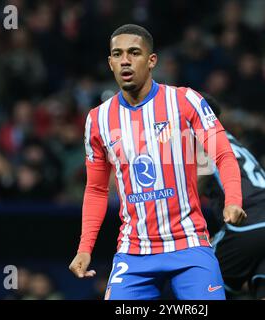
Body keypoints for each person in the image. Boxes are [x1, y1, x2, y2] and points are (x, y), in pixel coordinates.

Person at [68, 24, 246, 300]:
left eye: (134, 52)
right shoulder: (97, 120)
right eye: (117, 54)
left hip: (189, 246)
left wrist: (233, 199)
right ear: (110, 63)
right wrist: (84, 247)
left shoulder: (185, 100)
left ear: (152, 61)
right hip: (134, 252)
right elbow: (96, 190)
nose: (125, 60)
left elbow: (223, 154)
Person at [198, 93, 265, 300]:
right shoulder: (233, 140)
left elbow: (192, 186)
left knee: (194, 282)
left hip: (247, 224)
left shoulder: (198, 138)